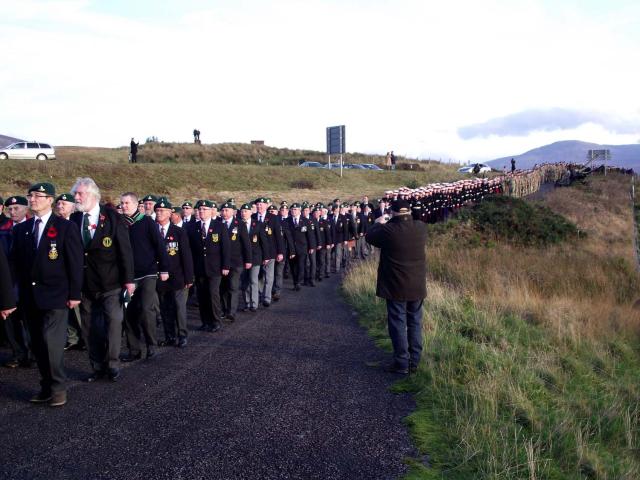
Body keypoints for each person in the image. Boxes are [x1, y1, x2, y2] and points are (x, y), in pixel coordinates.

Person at [11, 182, 84, 407]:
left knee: (52, 343)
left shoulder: (65, 227)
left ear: (50, 200)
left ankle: (58, 388)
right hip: (30, 297)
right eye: (30, 196)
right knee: (37, 344)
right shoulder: (21, 229)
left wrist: (74, 293)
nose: (32, 199)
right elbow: (16, 266)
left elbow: (75, 262)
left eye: (37, 196)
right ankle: (46, 385)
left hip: (56, 296)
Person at [70, 177, 135, 383]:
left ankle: (113, 364)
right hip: (86, 284)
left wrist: (129, 280)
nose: (76, 198)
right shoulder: (74, 220)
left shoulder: (113, 218)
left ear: (92, 195)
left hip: (111, 282)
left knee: (113, 323)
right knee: (90, 327)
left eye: (80, 194)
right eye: (75, 194)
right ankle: (97, 365)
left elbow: (125, 250)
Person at [365, 199, 428, 375]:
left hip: (395, 286)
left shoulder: (388, 230)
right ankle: (414, 361)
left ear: (393, 213)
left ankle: (401, 362)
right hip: (417, 286)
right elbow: (414, 219)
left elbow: (370, 236)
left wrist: (378, 222)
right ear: (409, 212)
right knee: (415, 322)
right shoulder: (421, 228)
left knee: (398, 323)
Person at [120, 192, 169, 361]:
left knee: (147, 309)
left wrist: (164, 268)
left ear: (134, 204)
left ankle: (151, 345)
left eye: (127, 203)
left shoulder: (147, 221)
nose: (124, 206)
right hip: (128, 276)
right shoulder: (120, 224)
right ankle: (134, 349)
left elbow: (159, 245)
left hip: (147, 273)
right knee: (129, 313)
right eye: (122, 203)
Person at [187, 199, 230, 332]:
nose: (201, 211)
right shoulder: (192, 227)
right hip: (199, 268)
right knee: (202, 295)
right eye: (200, 209)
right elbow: (190, 250)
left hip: (215, 267)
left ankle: (215, 321)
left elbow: (225, 248)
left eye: (204, 209)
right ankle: (205, 321)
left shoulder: (219, 226)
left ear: (211, 211)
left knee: (213, 294)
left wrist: (226, 266)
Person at [155, 199, 193, 348]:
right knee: (165, 308)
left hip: (177, 276)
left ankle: (182, 335)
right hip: (160, 277)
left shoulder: (179, 232)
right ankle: (169, 335)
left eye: (162, 211)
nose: (159, 213)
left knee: (179, 307)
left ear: (170, 213)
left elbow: (186, 256)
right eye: (157, 211)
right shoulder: (153, 231)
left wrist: (189, 277)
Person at [219, 201, 251, 322]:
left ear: (233, 212)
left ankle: (231, 312)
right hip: (221, 262)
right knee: (222, 287)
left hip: (235, 261)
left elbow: (246, 244)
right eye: (223, 210)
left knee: (233, 286)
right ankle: (224, 309)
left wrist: (248, 260)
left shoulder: (240, 224)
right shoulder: (217, 223)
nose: (224, 213)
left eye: (227, 210)